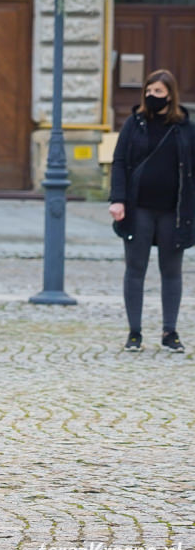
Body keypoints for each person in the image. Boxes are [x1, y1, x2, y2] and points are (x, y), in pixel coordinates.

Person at [109, 69, 195, 353]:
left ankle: (170, 332)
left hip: (173, 210)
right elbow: (119, 161)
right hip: (139, 208)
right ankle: (134, 333)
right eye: (148, 91)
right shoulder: (135, 124)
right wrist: (117, 199)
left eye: (158, 92)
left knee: (171, 271)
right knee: (135, 269)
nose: (151, 96)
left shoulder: (184, 127)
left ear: (170, 95)